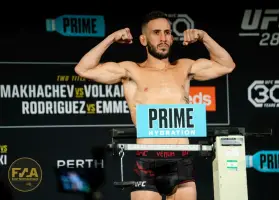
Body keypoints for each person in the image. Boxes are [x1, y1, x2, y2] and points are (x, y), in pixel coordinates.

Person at [75, 11, 235, 200]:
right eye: (156, 32)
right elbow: (83, 69)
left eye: (167, 32)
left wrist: (204, 38)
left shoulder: (184, 68)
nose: (163, 38)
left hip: (182, 159)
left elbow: (227, 65)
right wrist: (111, 38)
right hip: (147, 161)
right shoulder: (131, 70)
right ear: (143, 39)